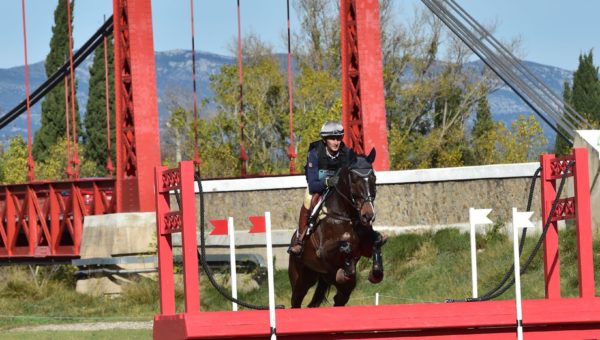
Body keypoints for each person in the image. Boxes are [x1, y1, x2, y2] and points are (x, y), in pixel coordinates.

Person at [288, 121, 355, 256]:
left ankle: (367, 233)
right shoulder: (314, 153)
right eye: (332, 139)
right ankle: (300, 240)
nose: (336, 142)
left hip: (339, 190)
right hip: (318, 187)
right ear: (324, 140)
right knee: (308, 200)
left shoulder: (347, 153)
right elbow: (312, 184)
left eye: (338, 138)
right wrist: (327, 182)